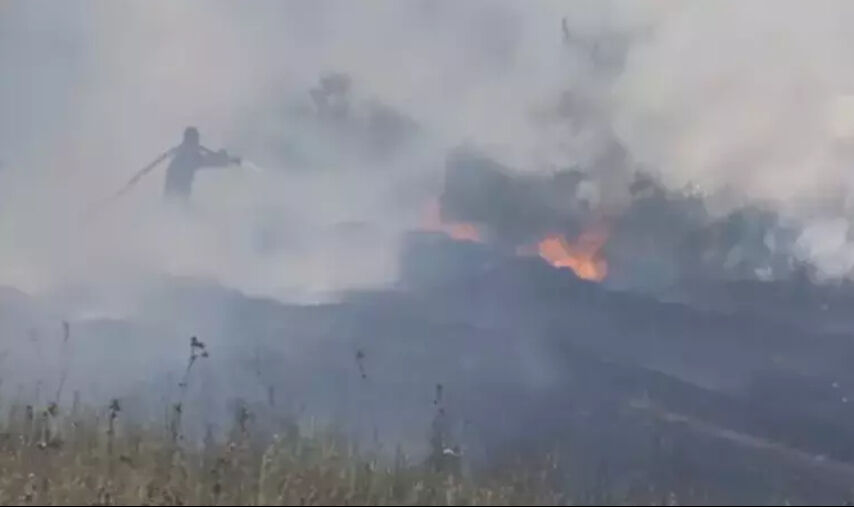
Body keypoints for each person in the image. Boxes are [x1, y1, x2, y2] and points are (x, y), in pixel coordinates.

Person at [163, 126, 241, 200]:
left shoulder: (181, 152)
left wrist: (230, 160)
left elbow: (212, 159)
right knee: (178, 206)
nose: (197, 143)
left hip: (176, 193)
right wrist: (230, 161)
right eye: (195, 140)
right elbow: (211, 161)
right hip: (176, 194)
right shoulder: (188, 156)